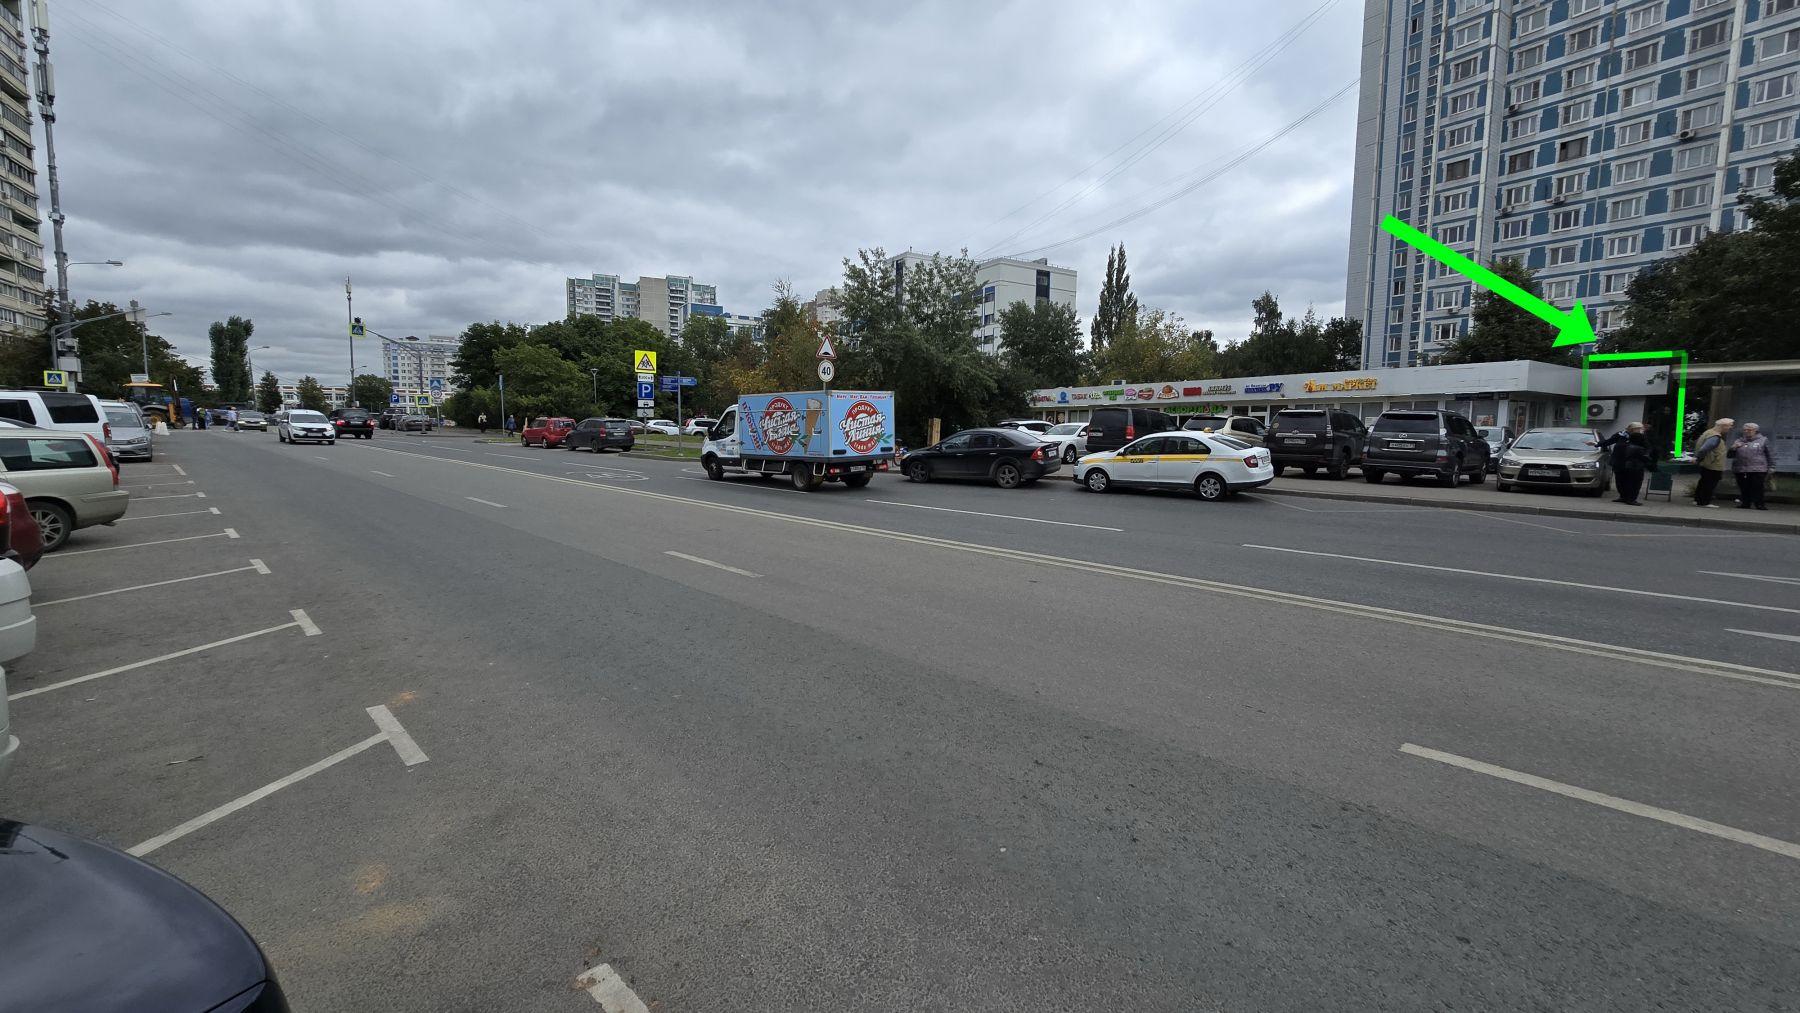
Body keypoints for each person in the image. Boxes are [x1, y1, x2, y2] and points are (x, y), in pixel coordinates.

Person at [1599, 422, 1652, 505]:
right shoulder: (1621, 435)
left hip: (1633, 463)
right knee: (1620, 481)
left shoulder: (1641, 437)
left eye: (1641, 429)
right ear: (1632, 429)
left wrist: (1646, 456)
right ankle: (1623, 496)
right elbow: (1609, 441)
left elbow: (1648, 448)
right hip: (1619, 462)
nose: (1641, 430)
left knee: (1633, 482)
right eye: (1639, 429)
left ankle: (1631, 499)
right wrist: (1597, 444)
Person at [1731, 422, 1776, 511]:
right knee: (1744, 487)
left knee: (1757, 487)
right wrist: (1733, 448)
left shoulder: (1763, 440)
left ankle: (1759, 504)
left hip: (1758, 469)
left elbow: (1770, 454)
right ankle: (1745, 503)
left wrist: (1772, 466)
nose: (1746, 431)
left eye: (1749, 430)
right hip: (1741, 468)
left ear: (1756, 431)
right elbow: (1730, 455)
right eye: (1745, 430)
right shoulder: (1738, 441)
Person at [1692, 417, 1735, 508]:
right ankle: (1704, 502)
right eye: (1730, 426)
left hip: (1707, 463)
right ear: (1724, 426)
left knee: (1703, 482)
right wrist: (1698, 458)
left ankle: (1698, 500)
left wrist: (1698, 458)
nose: (1730, 428)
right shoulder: (1715, 437)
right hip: (1713, 464)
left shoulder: (1708, 433)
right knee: (1710, 483)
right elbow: (1704, 449)